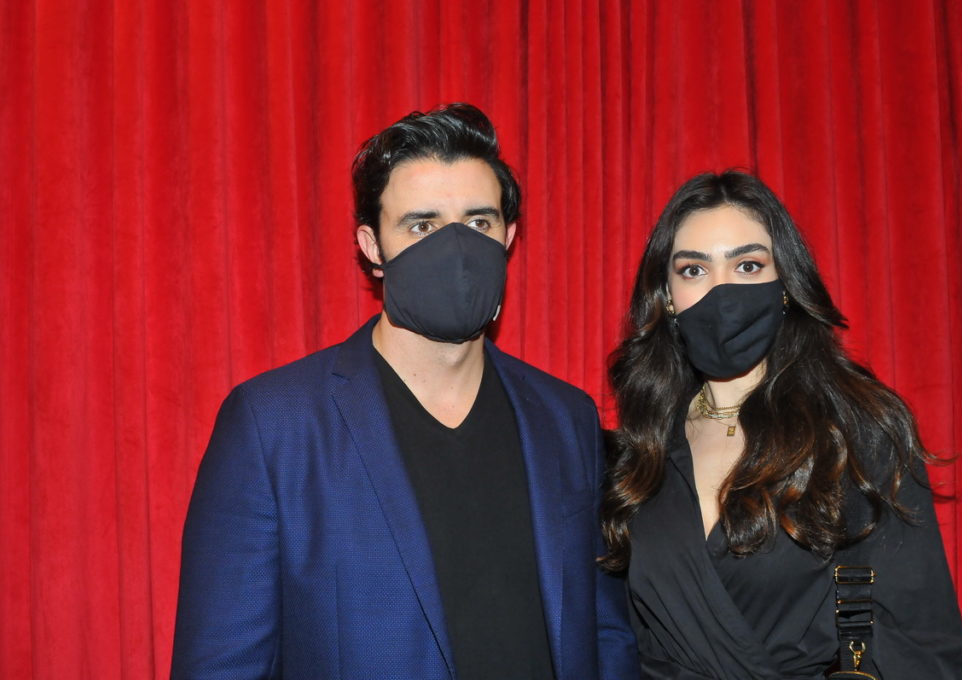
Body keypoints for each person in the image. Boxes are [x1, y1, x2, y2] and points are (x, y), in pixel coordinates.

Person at [172, 103, 639, 679]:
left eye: (478, 223)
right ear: (372, 246)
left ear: (509, 236)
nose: (456, 248)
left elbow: (605, 633)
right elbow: (222, 663)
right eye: (422, 226)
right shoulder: (274, 426)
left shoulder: (566, 418)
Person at [600, 170, 962, 679]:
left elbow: (920, 647)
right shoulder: (640, 450)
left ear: (787, 287)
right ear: (666, 295)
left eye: (747, 266)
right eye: (694, 270)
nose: (721, 292)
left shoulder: (858, 433)